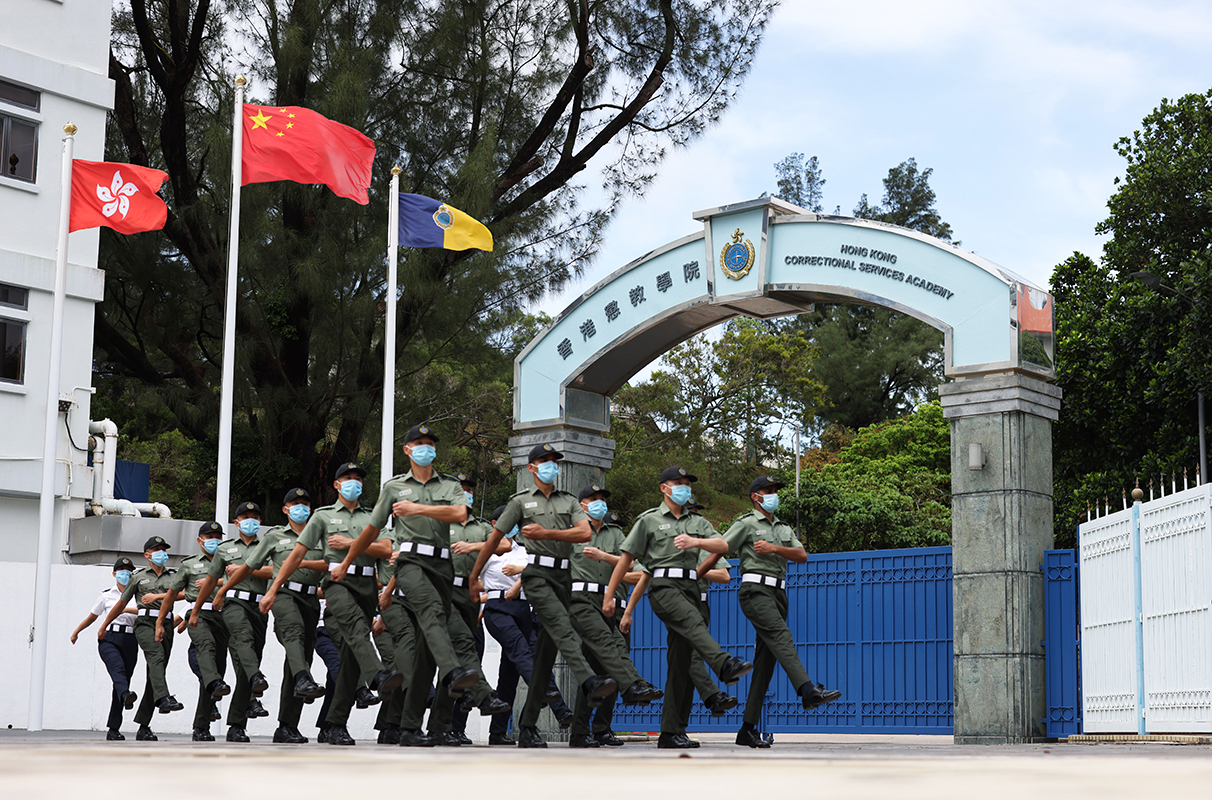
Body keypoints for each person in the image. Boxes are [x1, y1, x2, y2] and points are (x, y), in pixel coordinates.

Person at [334, 425, 478, 748]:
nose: (426, 448)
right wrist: (346, 561)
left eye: (430, 443)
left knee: (427, 648)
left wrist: (417, 509)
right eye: (419, 443)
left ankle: (410, 725)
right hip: (409, 563)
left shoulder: (449, 485)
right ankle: (454, 672)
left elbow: (459, 512)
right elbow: (371, 530)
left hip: (442, 565)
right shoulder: (394, 487)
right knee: (429, 612)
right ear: (407, 450)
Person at [468, 443, 617, 748]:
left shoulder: (528, 547)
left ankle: (511, 730)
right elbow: (491, 549)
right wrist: (475, 579)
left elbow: (578, 536)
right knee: (525, 653)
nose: (552, 465)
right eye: (544, 461)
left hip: (530, 608)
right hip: (499, 606)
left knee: (519, 670)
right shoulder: (504, 534)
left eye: (554, 461)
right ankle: (562, 699)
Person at [602, 465, 753, 749]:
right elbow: (626, 559)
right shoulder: (648, 521)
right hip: (663, 587)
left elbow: (722, 545)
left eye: (687, 483)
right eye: (678, 482)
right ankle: (723, 663)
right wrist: (610, 595)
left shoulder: (698, 522)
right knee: (693, 624)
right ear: (664, 487)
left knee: (681, 663)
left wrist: (696, 542)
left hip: (691, 587)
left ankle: (671, 731)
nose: (684, 487)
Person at [263, 462, 402, 746]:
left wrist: (351, 543)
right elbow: (297, 555)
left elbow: (386, 549)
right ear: (337, 485)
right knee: (353, 629)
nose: (355, 483)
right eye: (348, 478)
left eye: (359, 479)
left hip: (366, 586)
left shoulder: (372, 517)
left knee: (351, 656)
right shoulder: (323, 517)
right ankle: (377, 676)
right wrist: (274, 588)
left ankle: (336, 723)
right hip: (336, 583)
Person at [724, 476, 842, 747]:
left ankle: (747, 729)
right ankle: (807, 689)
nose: (773, 495)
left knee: (765, 664)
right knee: (781, 636)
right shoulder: (746, 524)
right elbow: (722, 547)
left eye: (775, 491)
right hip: (755, 590)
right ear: (755, 496)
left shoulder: (782, 527)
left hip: (779, 593)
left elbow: (801, 555)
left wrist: (774, 548)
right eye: (768, 491)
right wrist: (712, 571)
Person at [216, 488, 327, 744]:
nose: (301, 507)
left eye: (305, 504)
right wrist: (223, 589)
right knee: (294, 639)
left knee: (300, 657)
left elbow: (331, 565)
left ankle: (287, 726)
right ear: (286, 509)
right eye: (295, 503)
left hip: (310, 599)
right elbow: (250, 567)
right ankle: (238, 722)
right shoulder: (275, 536)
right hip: (282, 595)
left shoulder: (320, 536)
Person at [567, 484, 661, 748]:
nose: (599, 503)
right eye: (593, 499)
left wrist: (603, 556)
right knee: (611, 651)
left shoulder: (616, 533)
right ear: (581, 504)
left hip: (614, 604)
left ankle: (596, 729)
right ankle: (633, 687)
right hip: (584, 601)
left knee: (602, 671)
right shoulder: (573, 531)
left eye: (602, 499)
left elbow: (632, 567)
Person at [426, 472, 511, 745]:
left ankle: (447, 726)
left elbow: (506, 544)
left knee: (460, 661)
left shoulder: (481, 526)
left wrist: (474, 545)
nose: (466, 493)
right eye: (460, 489)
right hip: (442, 592)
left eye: (469, 489)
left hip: (470, 594)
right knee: (458, 653)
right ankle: (482, 695)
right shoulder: (437, 522)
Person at [480, 507, 574, 745]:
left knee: (509, 675)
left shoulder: (525, 551)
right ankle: (548, 695)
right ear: (494, 523)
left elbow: (541, 569)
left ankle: (498, 733)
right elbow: (472, 579)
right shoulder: (487, 551)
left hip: (524, 609)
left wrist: (520, 574)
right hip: (498, 607)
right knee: (520, 648)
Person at [190, 502, 271, 742]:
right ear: (236, 523)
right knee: (217, 667)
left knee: (247, 662)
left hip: (259, 607)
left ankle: (237, 725)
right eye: (245, 517)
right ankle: (201, 724)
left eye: (255, 517)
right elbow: (210, 580)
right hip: (231, 605)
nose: (251, 520)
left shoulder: (268, 546)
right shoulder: (225, 550)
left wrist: (246, 570)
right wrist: (194, 611)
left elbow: (274, 572)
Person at [98, 536, 185, 741]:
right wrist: (104, 625)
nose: (161, 553)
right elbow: (121, 603)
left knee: (156, 672)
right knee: (155, 658)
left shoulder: (173, 576)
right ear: (147, 555)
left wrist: (158, 597)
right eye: (156, 550)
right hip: (145, 623)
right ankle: (163, 698)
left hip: (167, 623)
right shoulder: (138, 577)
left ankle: (144, 726)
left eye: (164, 549)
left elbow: (184, 594)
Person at [161, 522, 231, 740]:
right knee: (206, 649)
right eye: (209, 536)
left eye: (218, 536)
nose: (214, 540)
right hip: (198, 614)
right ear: (200, 540)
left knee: (216, 670)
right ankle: (214, 685)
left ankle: (201, 727)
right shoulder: (190, 565)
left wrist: (217, 580)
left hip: (226, 615)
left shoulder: (230, 562)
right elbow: (173, 592)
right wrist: (161, 621)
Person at [71, 557, 139, 740]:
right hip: (109, 637)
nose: (125, 573)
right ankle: (126, 694)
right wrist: (77, 631)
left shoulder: (137, 594)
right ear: (114, 573)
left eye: (128, 570)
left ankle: (114, 728)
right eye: (121, 570)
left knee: (122, 680)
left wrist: (124, 609)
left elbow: (143, 610)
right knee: (118, 670)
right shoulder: (106, 595)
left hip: (131, 639)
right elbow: (92, 616)